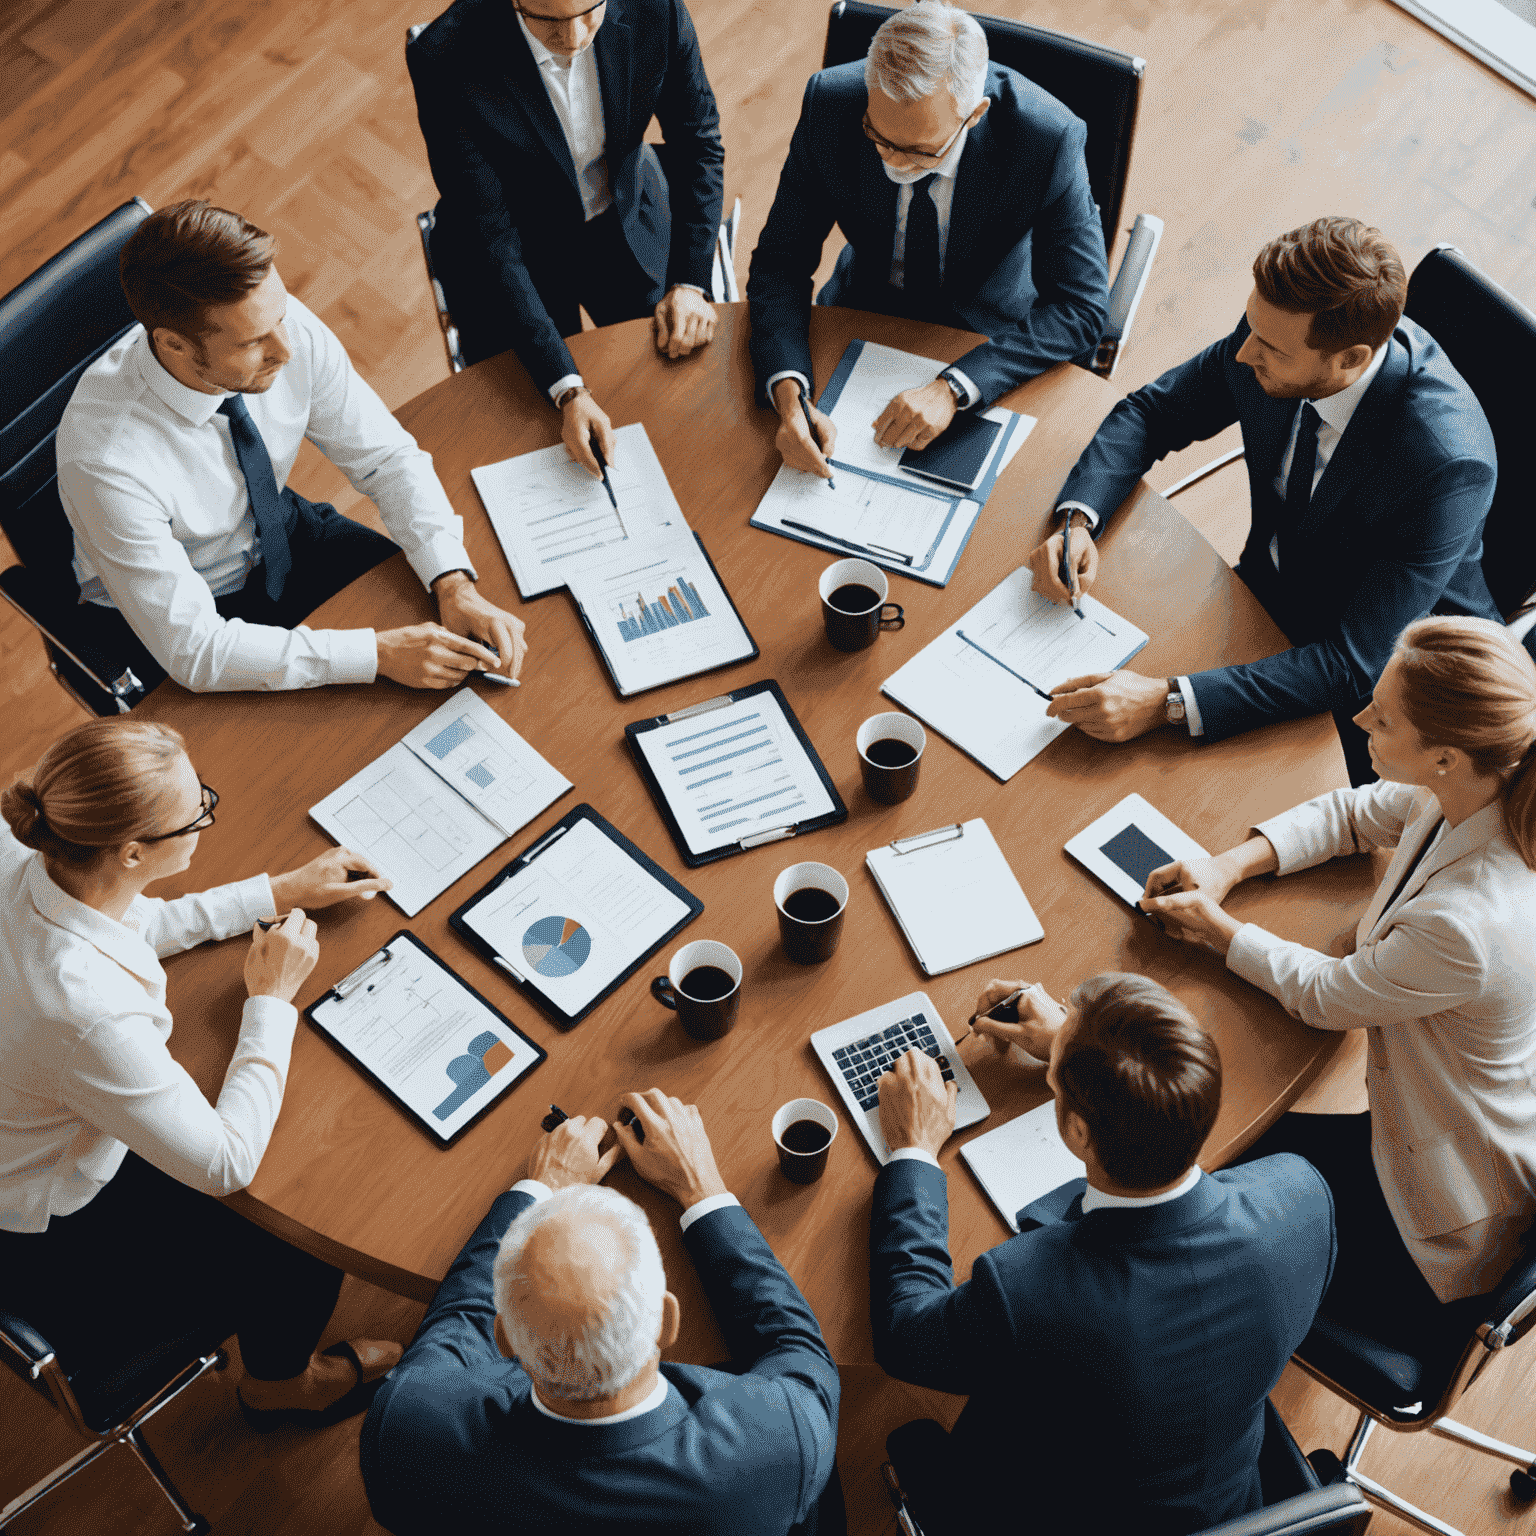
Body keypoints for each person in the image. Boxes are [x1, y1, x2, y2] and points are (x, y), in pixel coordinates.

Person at [1141, 616, 1536, 1344]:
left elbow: (1328, 996)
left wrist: (1216, 930)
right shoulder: (1475, 785)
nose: (1358, 721)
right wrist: (1229, 866)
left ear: (1444, 755)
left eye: (1381, 719)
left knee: (1176, 1188)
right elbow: (1355, 813)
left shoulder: (1469, 925)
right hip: (1424, 1112)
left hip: (1429, 1211)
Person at [0, 719, 401, 1428]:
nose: (207, 819)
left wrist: (278, 891)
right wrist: (271, 1001)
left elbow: (117, 919)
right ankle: (281, 1388)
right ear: (129, 851)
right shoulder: (83, 1009)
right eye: (198, 811)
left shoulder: (28, 850)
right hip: (46, 1225)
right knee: (297, 1225)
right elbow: (225, 1163)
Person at [1028, 217, 1499, 787]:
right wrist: (1079, 518)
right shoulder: (1274, 334)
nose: (1244, 353)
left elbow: (1353, 663)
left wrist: (1167, 702)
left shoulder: (1445, 464)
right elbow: (1153, 413)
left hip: (1400, 691)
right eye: (1250, 328)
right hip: (1265, 594)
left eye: (1268, 346)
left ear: (1349, 360)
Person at [870, 972, 1335, 1535]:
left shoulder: (1029, 1290)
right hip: (1227, 1506)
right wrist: (1098, 1061)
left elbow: (904, 1336)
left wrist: (914, 1150)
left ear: (1077, 1133)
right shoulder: (1300, 1197)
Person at [58, 199, 529, 695]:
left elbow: (386, 458)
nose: (285, 348)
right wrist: (378, 653)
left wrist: (452, 581)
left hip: (284, 535)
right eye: (253, 342)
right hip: (191, 611)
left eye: (280, 316)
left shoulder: (275, 323)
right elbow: (194, 651)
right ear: (174, 346)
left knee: (463, 666)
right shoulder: (104, 461)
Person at [360, 1090, 843, 1535]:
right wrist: (700, 1189)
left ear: (503, 1339)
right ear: (666, 1321)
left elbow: (459, 1321)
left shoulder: (404, 1433)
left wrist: (540, 1186)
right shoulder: (782, 1442)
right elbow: (795, 1349)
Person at [747, 0, 1108, 478]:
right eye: (877, 136)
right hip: (861, 312)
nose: (893, 164)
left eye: (918, 150)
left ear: (975, 114)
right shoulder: (830, 103)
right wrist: (789, 394)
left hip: (986, 338)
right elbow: (780, 262)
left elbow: (1081, 308)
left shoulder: (1047, 138)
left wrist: (952, 388)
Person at [408, 0, 725, 479]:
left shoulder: (655, 8)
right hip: (511, 257)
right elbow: (492, 234)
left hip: (627, 220)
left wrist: (689, 282)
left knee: (682, 394)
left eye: (589, 10)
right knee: (539, 441)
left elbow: (698, 142)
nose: (575, 38)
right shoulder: (446, 56)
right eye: (549, 20)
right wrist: (569, 388)